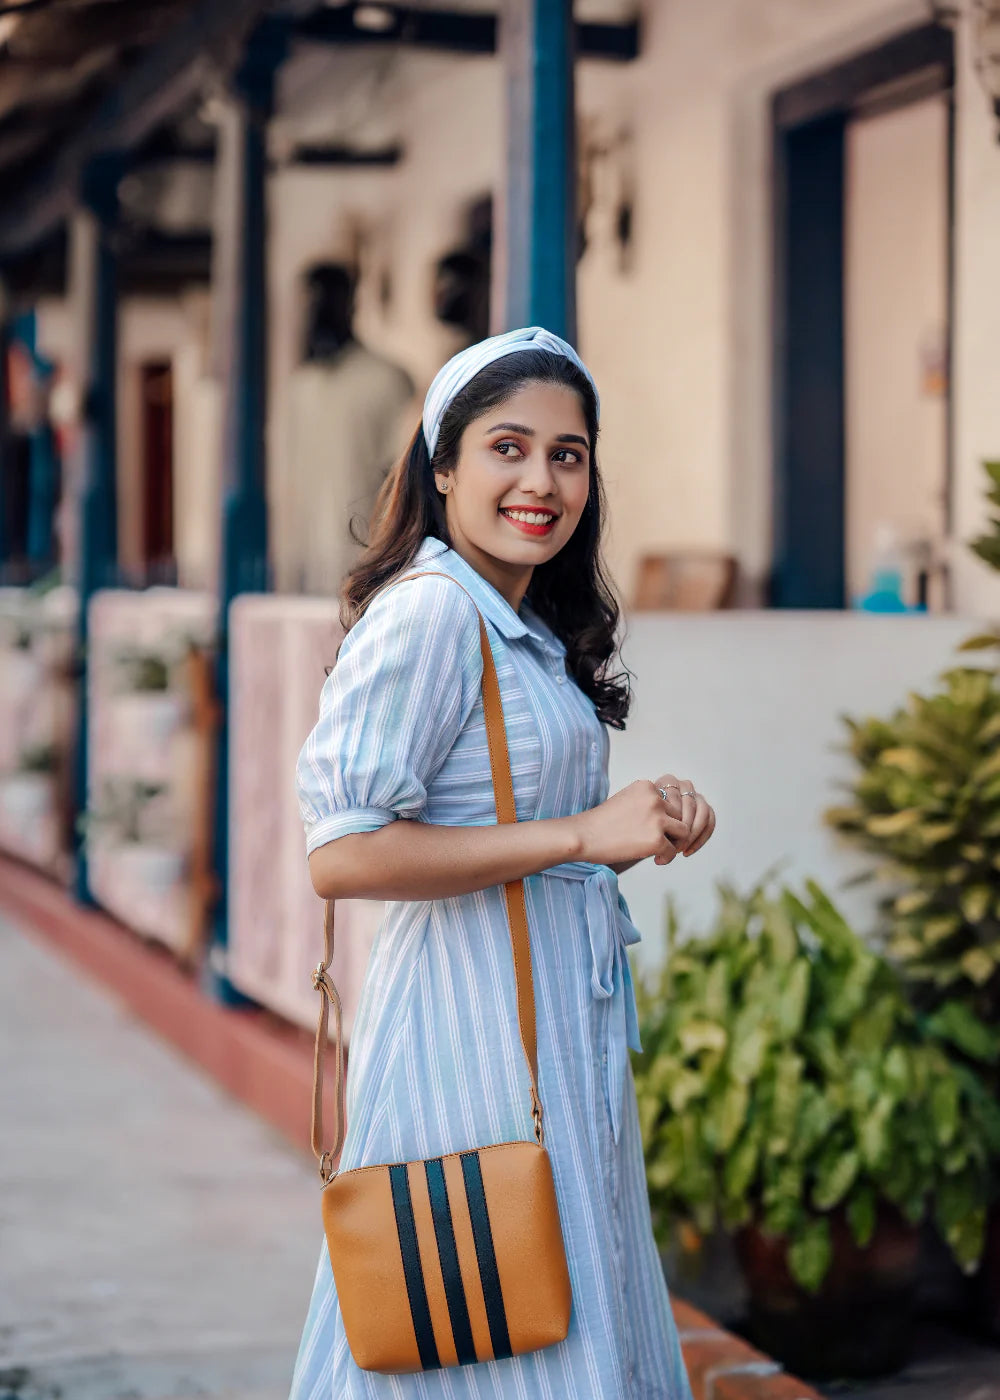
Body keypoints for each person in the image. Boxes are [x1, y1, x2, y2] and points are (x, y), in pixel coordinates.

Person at [290, 325, 715, 1399]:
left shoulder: (517, 622)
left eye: (567, 455)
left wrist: (643, 816)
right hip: (467, 1038)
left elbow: (523, 811)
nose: (541, 479)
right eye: (507, 447)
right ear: (442, 468)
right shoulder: (432, 614)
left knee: (547, 1308)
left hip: (549, 1042)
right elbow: (341, 850)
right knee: (484, 1328)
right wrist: (579, 835)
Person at [278, 262, 414, 596]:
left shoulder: (387, 380)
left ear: (350, 303)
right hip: (308, 561)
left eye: (326, 301)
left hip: (368, 559)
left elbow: (399, 475)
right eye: (308, 303)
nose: (316, 312)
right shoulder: (300, 386)